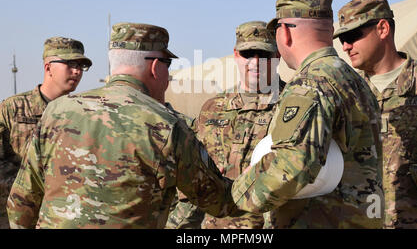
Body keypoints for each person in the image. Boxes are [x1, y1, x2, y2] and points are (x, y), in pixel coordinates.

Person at [7, 22, 238, 229]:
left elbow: (21, 202)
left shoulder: (56, 112)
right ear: (156, 66)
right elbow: (220, 200)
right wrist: (263, 171)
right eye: (168, 64)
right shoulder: (167, 125)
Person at [231, 0, 384, 228]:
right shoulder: (355, 81)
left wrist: (235, 194)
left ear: (284, 33)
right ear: (330, 30)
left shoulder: (310, 83)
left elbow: (292, 165)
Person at [334, 0, 417, 228]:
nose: (346, 46)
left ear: (383, 28)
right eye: (341, 39)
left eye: (353, 35)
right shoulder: (345, 93)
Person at [166, 21, 285, 229]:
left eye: (263, 55)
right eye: (248, 54)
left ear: (277, 57)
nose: (255, 62)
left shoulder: (291, 106)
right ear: (236, 56)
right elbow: (195, 183)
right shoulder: (213, 109)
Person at [0, 36, 92, 229]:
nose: (77, 71)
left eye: (81, 66)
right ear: (48, 67)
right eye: (70, 64)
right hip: (17, 217)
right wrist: (31, 189)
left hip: (64, 217)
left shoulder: (84, 113)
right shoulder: (13, 108)